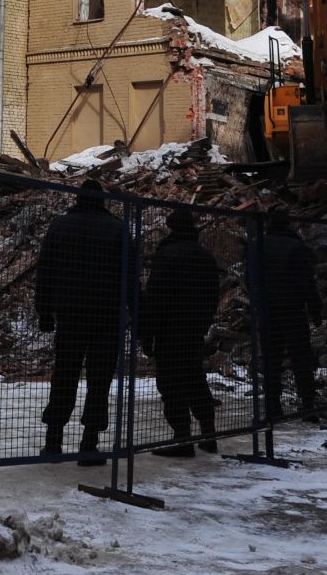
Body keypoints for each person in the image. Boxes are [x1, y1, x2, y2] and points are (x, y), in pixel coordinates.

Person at [36, 180, 128, 465]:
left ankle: (53, 442)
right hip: (107, 317)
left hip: (69, 315)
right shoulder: (117, 228)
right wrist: (137, 316)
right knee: (99, 381)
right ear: (102, 200)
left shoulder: (60, 226)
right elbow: (130, 275)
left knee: (64, 375)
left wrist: (44, 311)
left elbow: (46, 269)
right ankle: (89, 444)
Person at [141, 209, 221, 456]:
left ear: (172, 227)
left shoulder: (167, 255)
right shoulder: (205, 256)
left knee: (172, 384)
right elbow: (212, 295)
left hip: (169, 330)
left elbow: (156, 297)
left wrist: (147, 332)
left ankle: (182, 439)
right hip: (193, 330)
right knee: (196, 380)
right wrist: (202, 323)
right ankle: (208, 434)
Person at [257, 213, 323, 422]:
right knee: (301, 359)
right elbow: (307, 282)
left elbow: (251, 278)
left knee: (270, 361)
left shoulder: (258, 245)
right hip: (293, 310)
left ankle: (273, 407)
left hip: (267, 311)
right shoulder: (296, 247)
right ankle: (308, 406)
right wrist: (315, 310)